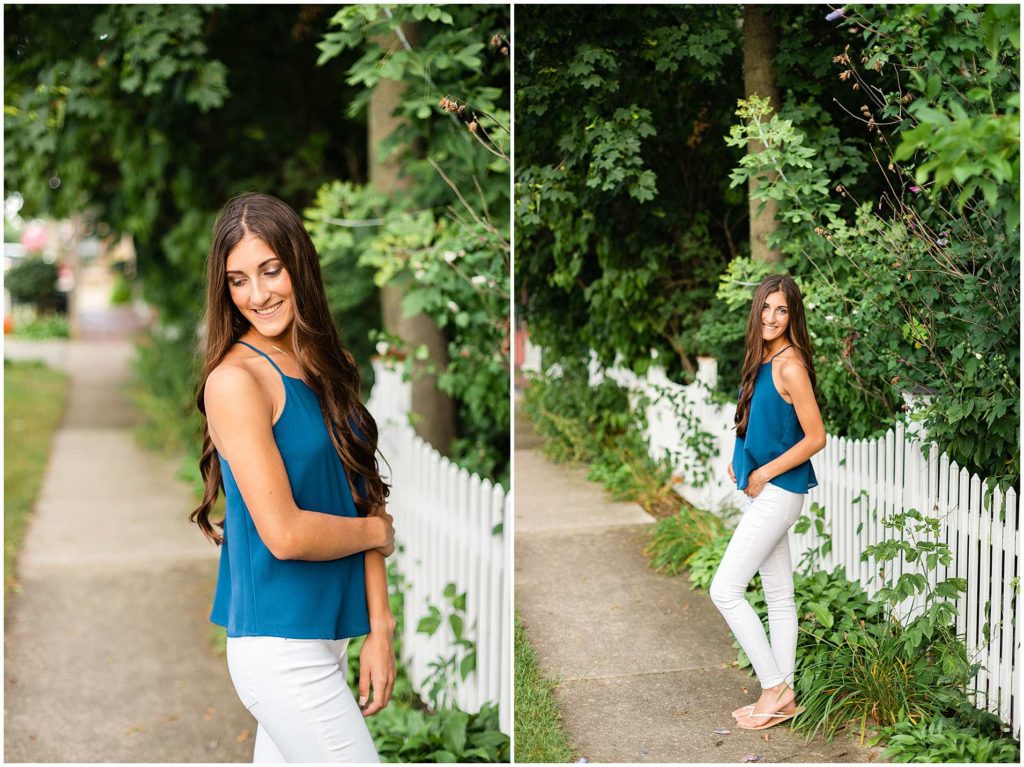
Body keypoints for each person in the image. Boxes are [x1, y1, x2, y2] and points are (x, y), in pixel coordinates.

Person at [190, 192, 396, 762]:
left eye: (270, 270)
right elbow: (286, 534)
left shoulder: (331, 363)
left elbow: (363, 495)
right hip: (278, 648)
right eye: (238, 280)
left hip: (324, 640)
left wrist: (380, 627)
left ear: (298, 264)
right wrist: (376, 535)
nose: (257, 295)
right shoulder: (236, 382)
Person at [710, 273, 826, 731]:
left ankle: (772, 685)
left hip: (779, 494)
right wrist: (741, 461)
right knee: (779, 597)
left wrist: (763, 472)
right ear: (756, 310)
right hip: (770, 493)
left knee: (725, 590)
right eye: (766, 307)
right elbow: (764, 425)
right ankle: (785, 696)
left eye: (782, 309)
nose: (772, 317)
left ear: (792, 314)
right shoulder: (764, 359)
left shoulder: (789, 365)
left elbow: (815, 437)